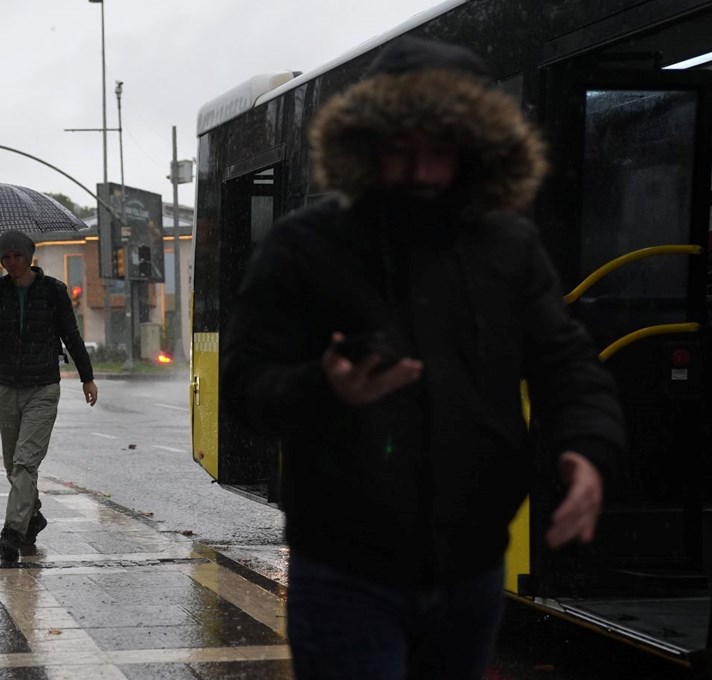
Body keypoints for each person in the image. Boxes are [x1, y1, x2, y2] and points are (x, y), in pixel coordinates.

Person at [220, 36, 626, 680]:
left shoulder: (510, 246)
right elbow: (244, 388)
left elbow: (566, 364)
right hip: (344, 566)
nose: (422, 172)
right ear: (368, 146)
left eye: (440, 151)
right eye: (401, 149)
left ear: (476, 152)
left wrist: (587, 448)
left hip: (470, 566)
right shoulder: (304, 246)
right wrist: (325, 388)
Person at [0, 230, 98, 562]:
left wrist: (87, 378)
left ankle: (11, 534)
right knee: (13, 467)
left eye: (17, 255)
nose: (11, 263)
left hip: (43, 387)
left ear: (30, 256)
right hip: (6, 387)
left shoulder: (53, 290)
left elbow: (70, 335)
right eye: (5, 257)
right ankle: (33, 514)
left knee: (26, 462)